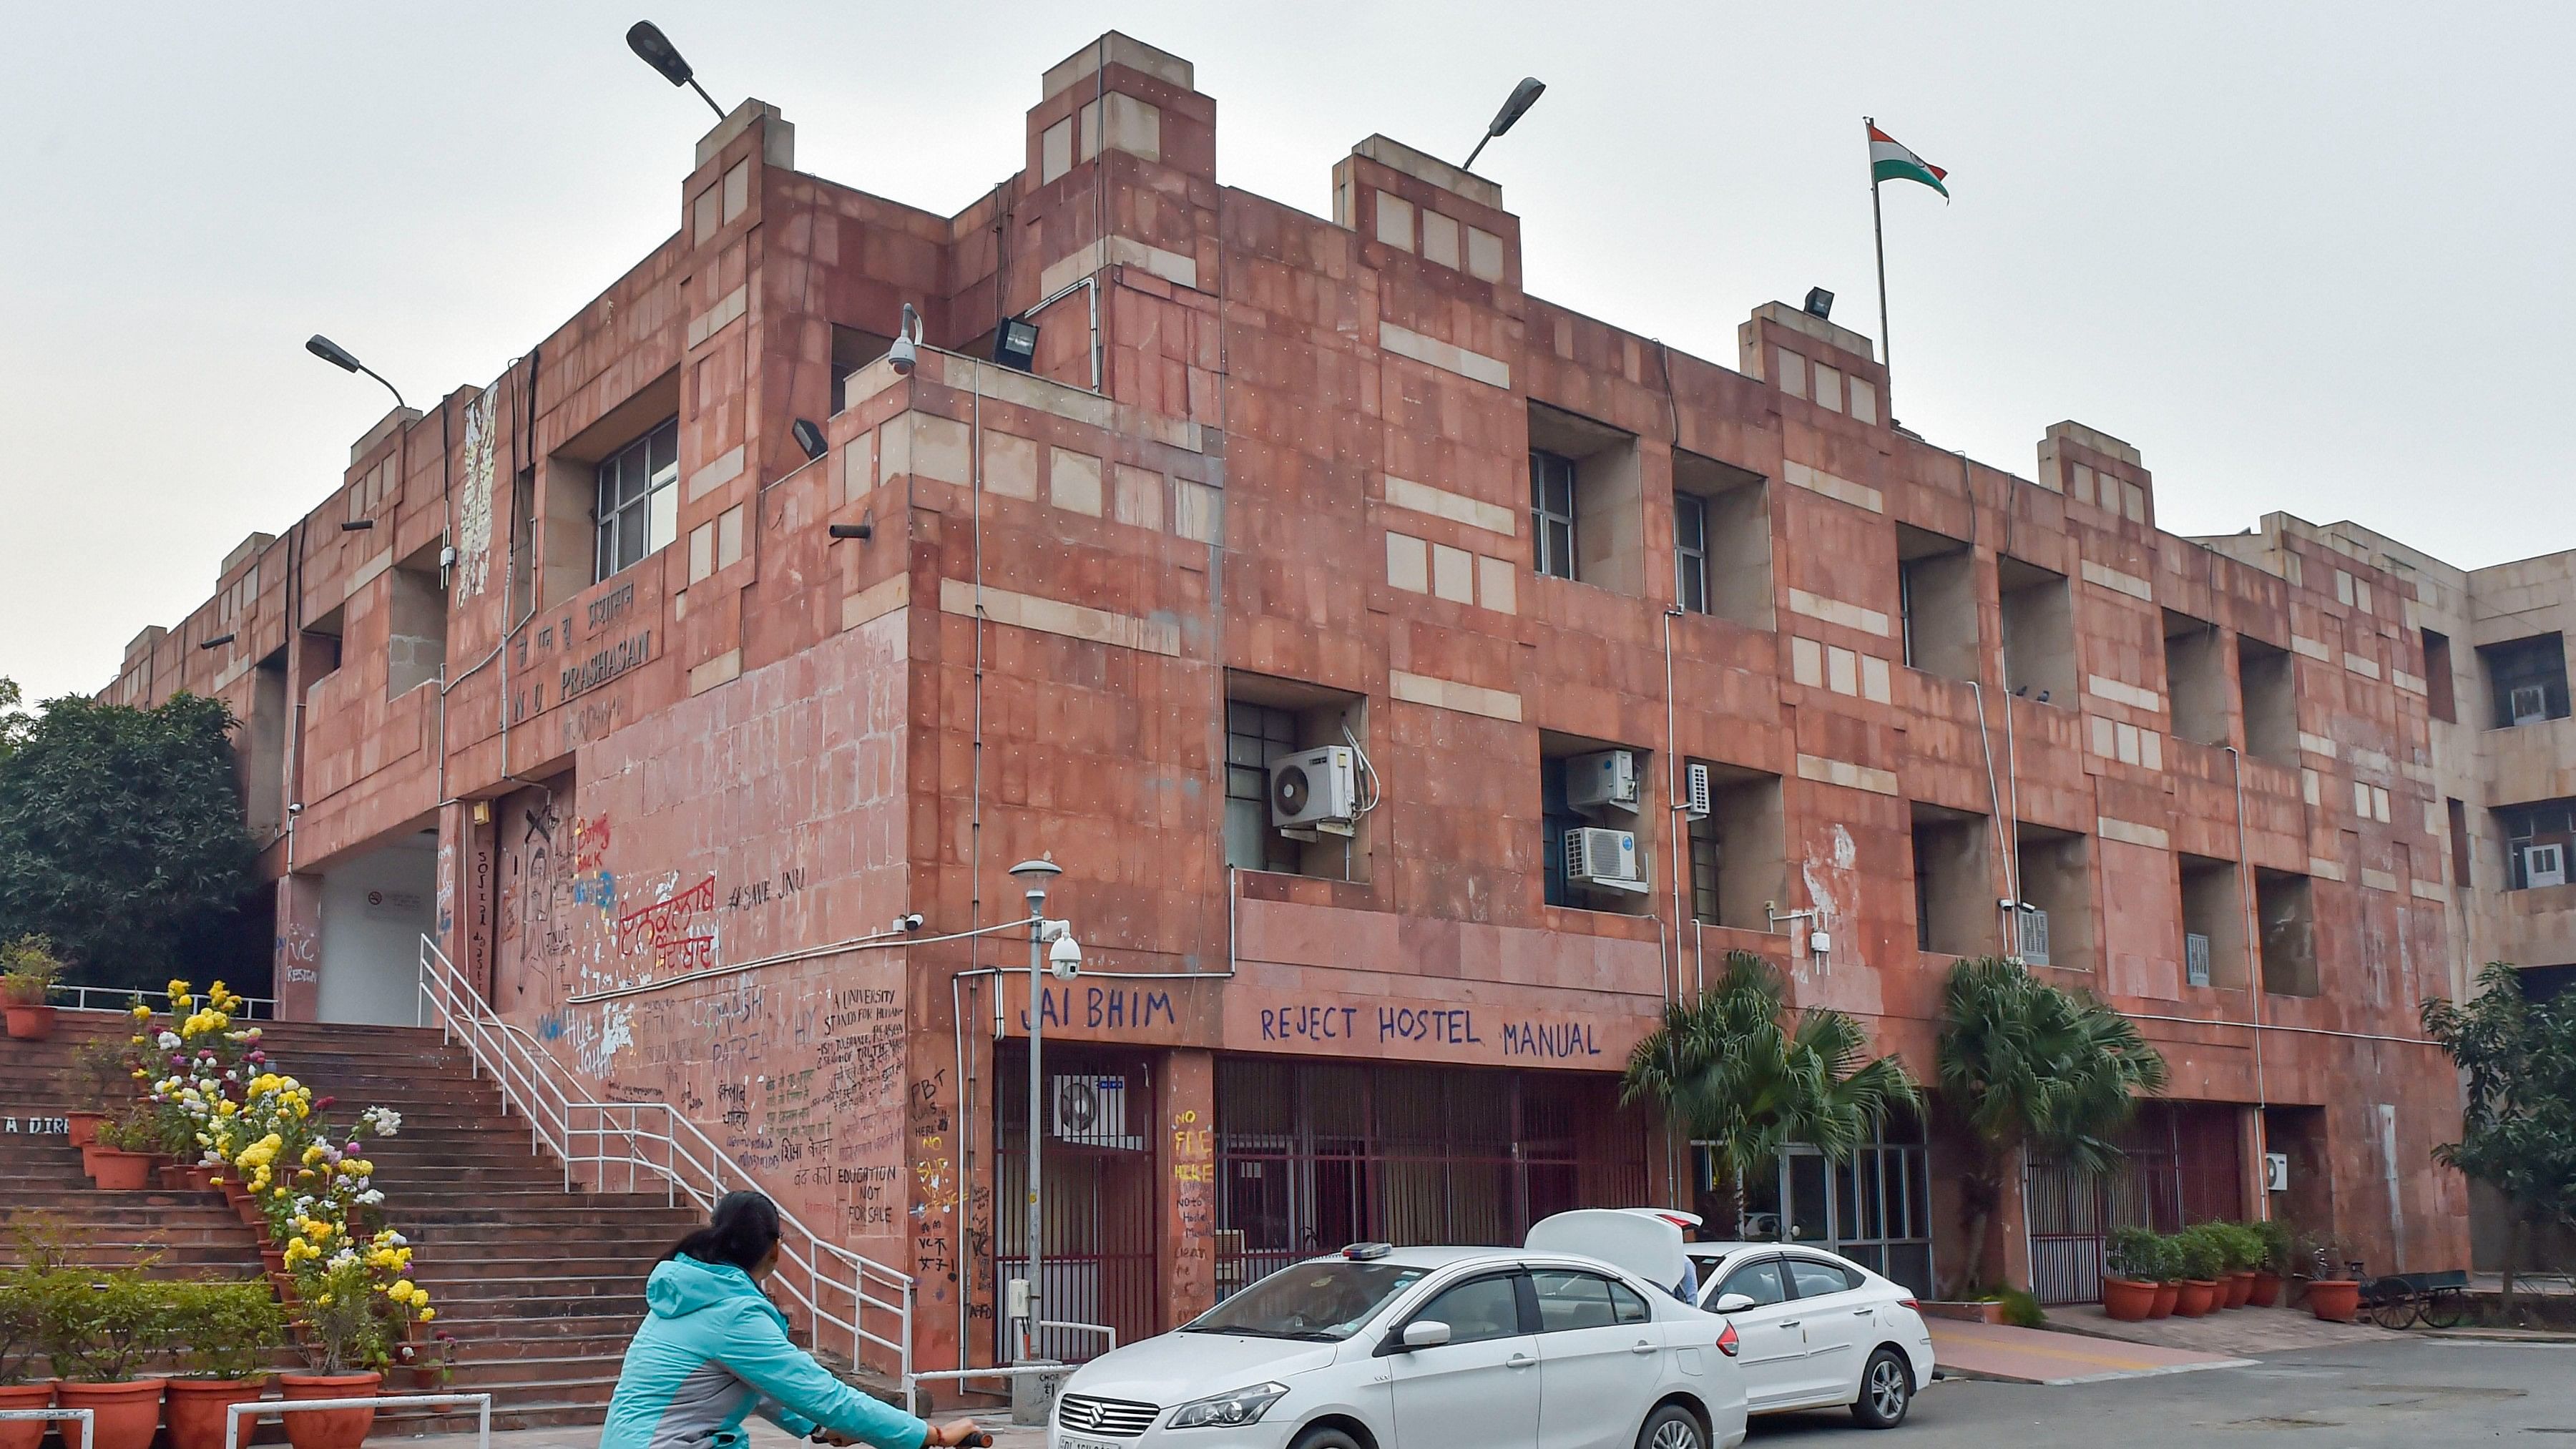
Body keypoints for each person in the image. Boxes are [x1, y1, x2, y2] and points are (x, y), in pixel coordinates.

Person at [601, 1191, 981, 1449]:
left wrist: (818, 1429)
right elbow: (824, 1395)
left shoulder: (692, 1291)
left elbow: (760, 1387)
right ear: (775, 1248)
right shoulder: (733, 1313)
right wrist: (930, 1435)